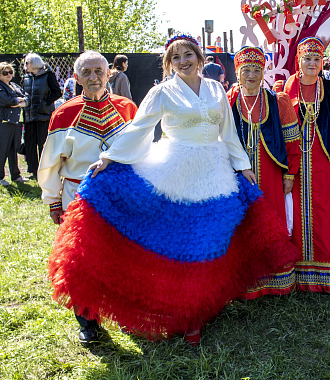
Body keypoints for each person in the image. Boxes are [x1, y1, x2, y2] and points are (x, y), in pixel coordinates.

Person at [47, 35, 296, 344]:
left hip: (215, 173)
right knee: (181, 246)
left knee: (208, 245)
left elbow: (228, 132)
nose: (183, 61)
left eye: (188, 54)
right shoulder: (162, 92)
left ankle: (198, 310)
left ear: (199, 57)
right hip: (175, 173)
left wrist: (242, 165)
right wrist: (109, 159)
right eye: (175, 57)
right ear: (168, 63)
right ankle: (183, 315)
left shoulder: (217, 89)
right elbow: (138, 128)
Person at [38, 51, 138, 344]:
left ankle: (125, 314)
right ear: (76, 77)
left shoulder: (128, 108)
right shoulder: (64, 113)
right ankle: (88, 322)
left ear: (109, 74)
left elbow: (142, 150)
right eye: (87, 73)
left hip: (123, 197)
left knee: (125, 256)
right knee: (82, 261)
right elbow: (50, 163)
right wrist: (52, 199)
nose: (93, 77)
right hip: (79, 196)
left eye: (99, 71)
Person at [226, 46, 302, 298]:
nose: (250, 75)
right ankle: (245, 283)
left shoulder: (277, 101)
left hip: (270, 175)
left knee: (272, 221)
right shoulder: (228, 101)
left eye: (256, 70)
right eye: (245, 69)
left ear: (263, 73)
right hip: (236, 176)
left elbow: (293, 141)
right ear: (237, 72)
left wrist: (290, 175)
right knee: (242, 224)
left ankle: (276, 281)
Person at [273, 37, 330, 294]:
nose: (312, 63)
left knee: (325, 214)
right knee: (296, 214)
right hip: (294, 162)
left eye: (317, 59)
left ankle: (325, 274)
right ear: (299, 62)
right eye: (307, 59)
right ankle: (299, 274)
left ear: (322, 61)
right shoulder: (283, 89)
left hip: (324, 160)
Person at [22, 53, 62, 178]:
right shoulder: (27, 77)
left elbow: (57, 92)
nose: (25, 65)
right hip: (29, 115)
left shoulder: (48, 75)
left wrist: (45, 103)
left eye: (27, 63)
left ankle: (45, 170)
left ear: (34, 63)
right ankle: (33, 170)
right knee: (30, 143)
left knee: (43, 143)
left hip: (43, 115)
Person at [0, 62, 26, 186]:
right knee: (2, 150)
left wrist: (18, 101)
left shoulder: (14, 85)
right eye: (5, 73)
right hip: (1, 123)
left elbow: (27, 98)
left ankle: (16, 176)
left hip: (15, 122)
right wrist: (18, 101)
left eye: (10, 72)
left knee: (14, 149)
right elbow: (7, 101)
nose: (8, 75)